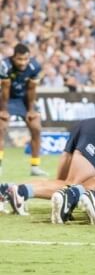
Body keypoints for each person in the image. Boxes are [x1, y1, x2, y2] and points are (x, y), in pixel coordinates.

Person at [0, 118, 95, 220]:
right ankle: (21, 192)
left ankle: (9, 189)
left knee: (59, 183)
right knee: (70, 186)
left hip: (91, 125)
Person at [0, 43, 46, 176]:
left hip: (24, 99)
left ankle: (35, 167)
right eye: (19, 59)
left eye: (25, 59)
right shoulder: (4, 66)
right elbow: (5, 89)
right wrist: (3, 110)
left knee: (36, 127)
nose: (22, 62)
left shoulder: (35, 66)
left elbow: (31, 89)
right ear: (13, 57)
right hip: (5, 98)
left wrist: (31, 110)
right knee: (1, 127)